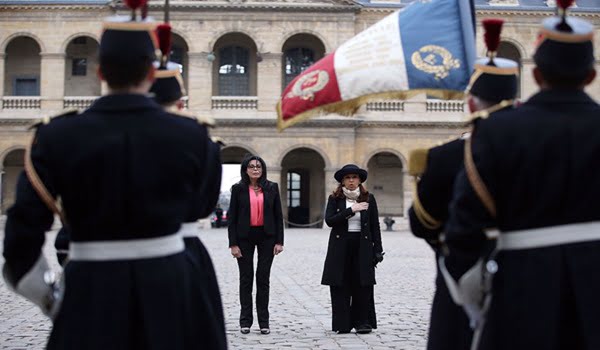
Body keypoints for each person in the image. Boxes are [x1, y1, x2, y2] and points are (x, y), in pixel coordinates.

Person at [2, 2, 227, 349]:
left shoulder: (56, 136)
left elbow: (20, 241)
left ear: (99, 72)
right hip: (171, 289)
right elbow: (197, 205)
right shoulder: (192, 136)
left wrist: (53, 299)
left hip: (89, 291)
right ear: (151, 74)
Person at [445, 2, 600, 349]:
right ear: (590, 76)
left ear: (536, 75)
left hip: (521, 289)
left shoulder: (496, 131)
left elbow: (463, 231)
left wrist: (476, 300)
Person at [407, 19, 518, 350]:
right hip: (530, 274)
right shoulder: (541, 145)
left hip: (463, 276)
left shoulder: (446, 156)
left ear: (471, 103)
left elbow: (421, 222)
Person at [321, 164, 384, 334]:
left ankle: (362, 321)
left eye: (354, 177)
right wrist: (351, 210)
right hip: (340, 246)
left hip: (362, 245)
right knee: (340, 283)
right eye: (347, 178)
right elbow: (330, 220)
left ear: (359, 180)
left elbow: (374, 226)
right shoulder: (334, 198)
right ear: (342, 181)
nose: (351, 181)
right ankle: (343, 323)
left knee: (362, 283)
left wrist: (378, 249)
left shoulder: (368, 198)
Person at [228, 155, 284, 335]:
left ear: (263, 169)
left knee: (263, 278)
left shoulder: (272, 188)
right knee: (246, 279)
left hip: (267, 236)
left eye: (258, 166)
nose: (255, 169)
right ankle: (245, 321)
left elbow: (278, 216)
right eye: (251, 166)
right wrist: (233, 244)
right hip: (244, 237)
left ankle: (264, 322)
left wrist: (279, 241)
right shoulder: (238, 189)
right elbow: (232, 218)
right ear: (245, 169)